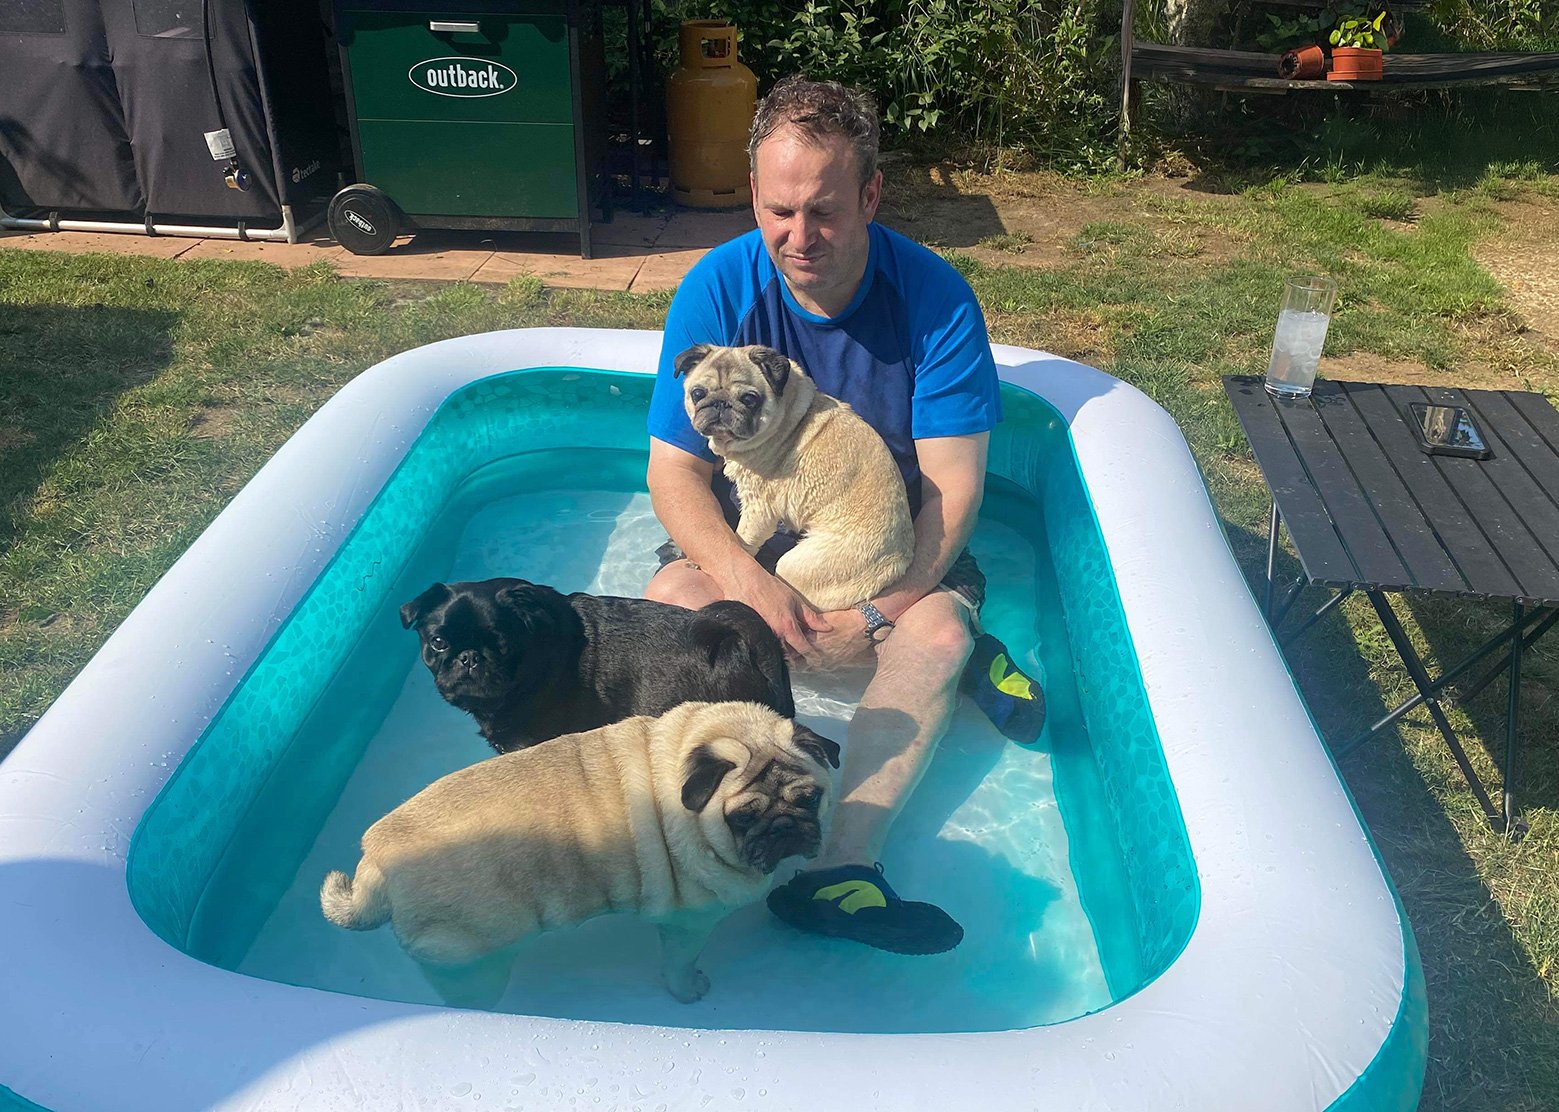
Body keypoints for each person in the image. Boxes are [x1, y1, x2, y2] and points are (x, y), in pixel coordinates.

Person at [643, 77, 1042, 956]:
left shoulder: (934, 300)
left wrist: (881, 610)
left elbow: (952, 489)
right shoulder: (716, 286)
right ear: (753, 194)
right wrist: (751, 588)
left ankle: (842, 869)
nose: (796, 236)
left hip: (890, 529)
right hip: (755, 525)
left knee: (934, 637)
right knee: (671, 604)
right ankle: (731, 805)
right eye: (777, 209)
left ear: (869, 195)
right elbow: (672, 475)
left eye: (822, 211)